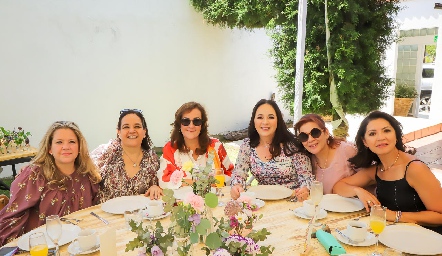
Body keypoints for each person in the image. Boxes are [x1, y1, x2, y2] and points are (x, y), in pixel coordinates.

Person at [333, 111, 442, 234]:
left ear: (396, 135)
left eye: (386, 131)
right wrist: (358, 191)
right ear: (365, 142)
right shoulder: (378, 169)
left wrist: (395, 215)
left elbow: (440, 215)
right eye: (372, 133)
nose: (380, 137)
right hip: (395, 235)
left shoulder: (415, 168)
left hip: (428, 238)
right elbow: (338, 187)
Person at [0, 121, 101, 246]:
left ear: (80, 147)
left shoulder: (88, 175)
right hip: (44, 247)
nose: (66, 147)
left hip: (81, 244)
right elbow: (13, 216)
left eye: (72, 142)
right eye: (59, 142)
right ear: (49, 148)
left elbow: (96, 211)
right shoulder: (35, 176)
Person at [230, 99, 314, 201]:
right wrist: (236, 185)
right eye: (260, 117)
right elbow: (238, 174)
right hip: (261, 203)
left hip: (292, 202)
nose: (265, 122)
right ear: (254, 121)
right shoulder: (247, 145)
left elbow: (307, 178)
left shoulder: (293, 145)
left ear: (278, 121)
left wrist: (305, 189)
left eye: (271, 117)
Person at [157, 102, 234, 189]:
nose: (191, 125)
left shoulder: (216, 146)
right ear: (179, 124)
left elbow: (232, 174)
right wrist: (199, 182)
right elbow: (163, 180)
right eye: (185, 121)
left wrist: (220, 181)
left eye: (196, 121)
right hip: (182, 201)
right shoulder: (170, 148)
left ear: (202, 125)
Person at [91, 109, 161, 202]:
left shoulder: (152, 159)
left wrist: (155, 187)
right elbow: (83, 171)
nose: (132, 130)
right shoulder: (105, 153)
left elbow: (157, 187)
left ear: (144, 132)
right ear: (118, 132)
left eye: (137, 126)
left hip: (139, 214)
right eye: (126, 127)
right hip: (105, 214)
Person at [294, 114, 357, 194]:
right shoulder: (306, 160)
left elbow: (370, 175)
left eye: (315, 133)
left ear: (326, 133)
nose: (310, 140)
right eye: (303, 136)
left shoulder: (346, 150)